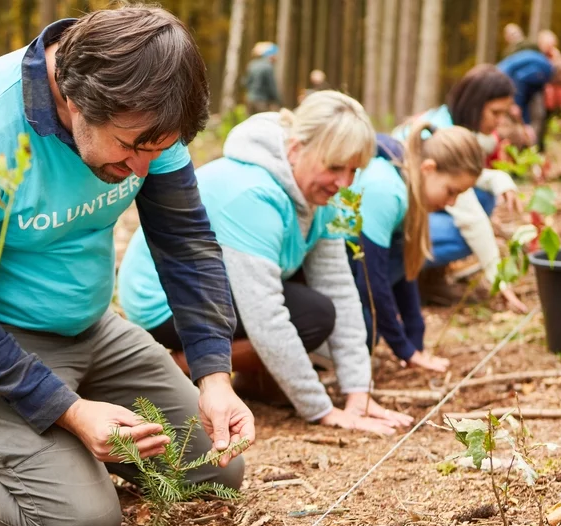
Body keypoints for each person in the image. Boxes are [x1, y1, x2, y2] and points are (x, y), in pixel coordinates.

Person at [0, 7, 253, 526]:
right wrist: (71, 412)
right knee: (81, 521)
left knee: (216, 471)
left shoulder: (152, 111)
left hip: (90, 326)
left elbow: (186, 246)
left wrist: (214, 375)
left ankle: (44, 443)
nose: (141, 170)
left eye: (157, 152)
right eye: (129, 147)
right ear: (75, 99)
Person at [118, 92, 413, 435]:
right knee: (313, 315)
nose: (344, 183)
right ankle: (175, 367)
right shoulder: (253, 194)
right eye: (334, 167)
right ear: (295, 150)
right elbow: (266, 318)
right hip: (165, 300)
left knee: (322, 308)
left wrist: (358, 394)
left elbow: (340, 289)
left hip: (224, 288)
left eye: (354, 171)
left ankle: (253, 380)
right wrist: (321, 410)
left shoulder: (322, 196)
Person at [350, 125, 485, 372]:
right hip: (327, 276)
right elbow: (372, 282)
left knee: (371, 331)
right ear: (429, 168)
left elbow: (404, 267)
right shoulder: (387, 191)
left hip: (355, 269)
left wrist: (415, 337)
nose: (452, 202)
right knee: (366, 333)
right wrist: (405, 350)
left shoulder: (409, 183)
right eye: (451, 191)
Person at [397, 65, 528, 314]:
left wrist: (501, 180)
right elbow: (471, 219)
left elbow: (472, 181)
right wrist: (499, 279)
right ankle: (411, 275)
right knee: (469, 221)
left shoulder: (448, 121)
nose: (499, 121)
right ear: (475, 104)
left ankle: (429, 278)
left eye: (504, 113)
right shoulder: (444, 133)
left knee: (483, 197)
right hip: (395, 224)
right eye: (495, 112)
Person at [244, 42, 281, 113]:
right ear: (271, 55)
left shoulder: (252, 64)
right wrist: (278, 101)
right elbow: (271, 87)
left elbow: (247, 83)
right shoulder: (268, 67)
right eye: (275, 54)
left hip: (250, 100)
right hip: (261, 101)